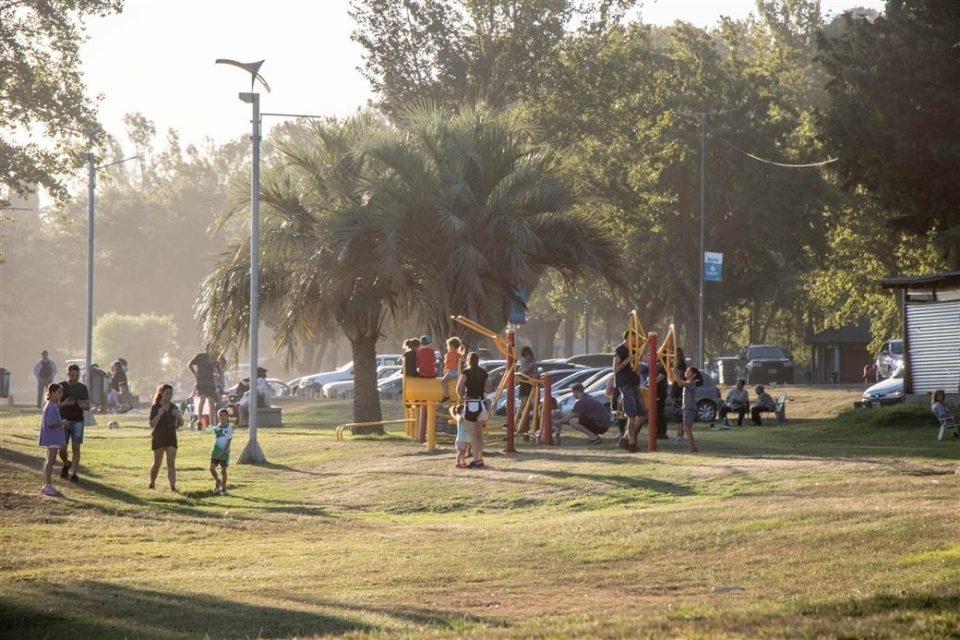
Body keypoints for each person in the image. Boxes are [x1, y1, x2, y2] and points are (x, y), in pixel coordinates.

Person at [613, 330, 645, 452]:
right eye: (634, 337)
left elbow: (638, 367)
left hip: (634, 383)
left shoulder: (635, 350)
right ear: (628, 337)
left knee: (641, 415)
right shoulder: (620, 350)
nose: (636, 340)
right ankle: (632, 444)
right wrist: (628, 359)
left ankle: (625, 439)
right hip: (625, 385)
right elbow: (615, 369)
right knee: (631, 416)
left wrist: (638, 368)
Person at [56, 364, 89, 483]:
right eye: (72, 375)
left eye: (77, 375)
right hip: (63, 421)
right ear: (68, 374)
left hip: (77, 420)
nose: (74, 378)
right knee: (62, 448)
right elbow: (54, 405)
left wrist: (82, 405)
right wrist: (65, 403)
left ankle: (74, 474)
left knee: (76, 447)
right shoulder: (61, 386)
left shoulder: (82, 388)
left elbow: (88, 406)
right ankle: (66, 463)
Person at [457, 351, 488, 468]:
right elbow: (489, 387)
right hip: (481, 404)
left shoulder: (466, 372)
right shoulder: (483, 372)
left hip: (471, 403)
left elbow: (459, 387)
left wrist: (461, 398)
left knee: (473, 435)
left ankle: (476, 460)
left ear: (468, 360)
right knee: (479, 435)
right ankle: (480, 458)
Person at [149, 384, 181, 491]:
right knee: (157, 463)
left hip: (171, 437)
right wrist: (159, 414)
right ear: (161, 393)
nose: (169, 396)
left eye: (171, 394)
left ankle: (173, 487)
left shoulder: (174, 407)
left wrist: (178, 415)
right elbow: (152, 424)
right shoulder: (156, 407)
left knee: (171, 463)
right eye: (167, 393)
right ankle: (152, 483)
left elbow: (181, 423)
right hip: (159, 437)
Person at [38, 383, 66, 496]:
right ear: (52, 392)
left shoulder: (52, 405)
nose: (61, 394)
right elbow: (50, 424)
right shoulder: (51, 406)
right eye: (59, 392)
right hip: (52, 437)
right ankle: (47, 485)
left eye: (61, 392)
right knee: (50, 461)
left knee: (49, 461)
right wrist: (62, 423)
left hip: (52, 437)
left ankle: (47, 484)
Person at [188, 345, 218, 429]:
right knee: (202, 399)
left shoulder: (215, 358)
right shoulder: (200, 356)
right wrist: (195, 373)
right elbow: (189, 364)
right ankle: (199, 421)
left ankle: (212, 424)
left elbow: (221, 365)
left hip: (210, 382)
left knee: (211, 402)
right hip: (201, 382)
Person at [208, 407, 234, 494]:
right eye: (220, 415)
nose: (222, 417)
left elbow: (228, 442)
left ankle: (223, 487)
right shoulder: (216, 428)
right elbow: (208, 430)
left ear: (227, 417)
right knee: (211, 468)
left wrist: (223, 453)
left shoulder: (229, 428)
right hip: (215, 451)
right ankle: (217, 481)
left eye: (224, 415)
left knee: (223, 471)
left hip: (225, 452)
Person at [516, 346, 538, 438]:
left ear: (529, 353)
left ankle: (526, 429)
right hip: (524, 384)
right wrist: (521, 373)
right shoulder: (523, 361)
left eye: (527, 355)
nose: (526, 357)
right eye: (525, 355)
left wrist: (522, 373)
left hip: (529, 384)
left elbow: (525, 371)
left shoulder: (533, 362)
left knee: (527, 407)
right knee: (523, 406)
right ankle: (523, 428)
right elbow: (520, 371)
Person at [679, 367, 700, 452]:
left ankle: (692, 448)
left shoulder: (692, 383)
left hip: (690, 408)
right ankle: (693, 447)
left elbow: (680, 383)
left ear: (693, 375)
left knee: (686, 427)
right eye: (686, 370)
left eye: (688, 371)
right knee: (687, 428)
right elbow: (680, 382)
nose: (686, 372)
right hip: (687, 408)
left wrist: (676, 374)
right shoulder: (688, 382)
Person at [440, 336, 463, 402]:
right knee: (446, 380)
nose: (448, 348)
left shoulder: (449, 354)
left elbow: (446, 363)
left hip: (452, 372)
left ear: (452, 346)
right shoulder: (458, 354)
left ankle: (446, 396)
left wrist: (445, 369)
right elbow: (463, 359)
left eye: (448, 346)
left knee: (443, 381)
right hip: (456, 372)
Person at [451, 403, 469, 468]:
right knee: (460, 451)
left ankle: (463, 462)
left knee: (464, 452)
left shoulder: (463, 418)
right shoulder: (461, 418)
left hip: (465, 438)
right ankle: (457, 462)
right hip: (461, 439)